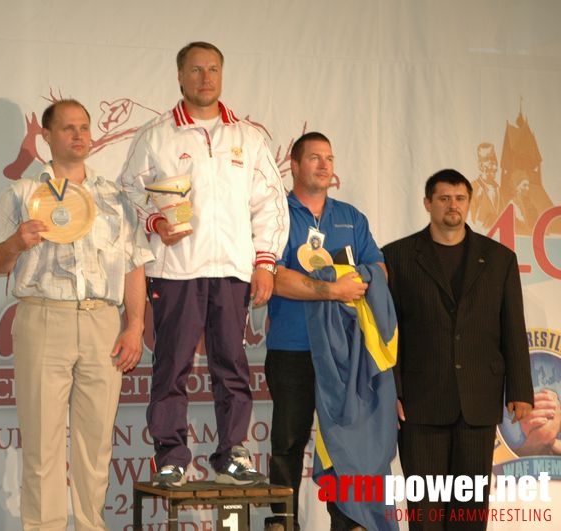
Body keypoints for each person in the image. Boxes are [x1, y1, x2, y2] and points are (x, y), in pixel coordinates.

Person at [118, 41, 289, 488]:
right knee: (172, 365)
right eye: (195, 70)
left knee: (231, 364)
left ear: (222, 75)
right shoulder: (156, 136)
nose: (205, 78)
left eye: (213, 69)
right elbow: (128, 195)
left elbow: (269, 203)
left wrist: (265, 261)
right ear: (179, 76)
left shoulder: (248, 138)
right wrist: (154, 220)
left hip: (232, 271)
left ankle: (232, 451)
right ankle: (171, 455)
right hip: (176, 270)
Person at [0, 99, 153, 530]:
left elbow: (134, 263)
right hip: (44, 318)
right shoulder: (22, 193)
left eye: (84, 127)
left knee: (95, 446)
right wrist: (17, 244)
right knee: (42, 445)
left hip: (102, 321)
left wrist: (134, 326)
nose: (78, 135)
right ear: (46, 137)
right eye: (67, 128)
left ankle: (91, 525)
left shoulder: (115, 196)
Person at [383, 169, 534, 531]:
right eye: (444, 198)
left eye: (460, 198)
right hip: (419, 406)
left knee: (469, 513)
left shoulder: (499, 259)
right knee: (426, 512)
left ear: (469, 203)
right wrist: (392, 391)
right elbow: (388, 334)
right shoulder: (397, 257)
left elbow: (512, 329)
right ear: (427, 204)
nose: (453, 205)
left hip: (477, 403)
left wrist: (520, 391)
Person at [263, 132, 388, 531]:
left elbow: (379, 271)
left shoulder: (351, 217)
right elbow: (273, 278)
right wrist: (333, 287)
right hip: (293, 349)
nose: (324, 165)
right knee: (287, 445)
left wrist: (350, 276)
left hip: (345, 353)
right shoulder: (275, 215)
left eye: (329, 158)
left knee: (346, 444)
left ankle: (349, 522)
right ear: (294, 166)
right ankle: (283, 524)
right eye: (314, 157)